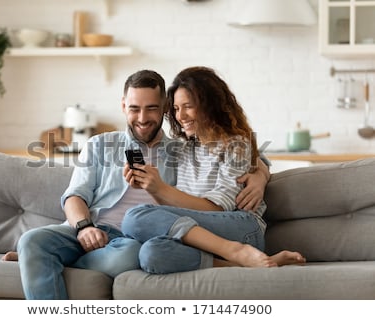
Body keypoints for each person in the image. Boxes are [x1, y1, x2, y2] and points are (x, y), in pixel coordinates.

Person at [3, 69, 270, 299]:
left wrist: (260, 175)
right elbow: (75, 196)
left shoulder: (181, 150)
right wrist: (84, 228)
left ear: (165, 108)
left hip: (130, 240)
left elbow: (243, 151)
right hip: (89, 230)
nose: (142, 118)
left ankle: (45, 261)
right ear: (123, 106)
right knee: (31, 240)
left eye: (152, 108)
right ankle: (39, 258)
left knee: (131, 254)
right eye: (134, 108)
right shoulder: (100, 145)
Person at [122, 66, 305, 274]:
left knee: (134, 218)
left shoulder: (236, 146)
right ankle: (241, 262)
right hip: (203, 234)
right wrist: (151, 188)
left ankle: (236, 250)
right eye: (175, 109)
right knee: (151, 253)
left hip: (241, 229)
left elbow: (217, 209)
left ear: (210, 105)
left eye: (188, 106)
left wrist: (160, 189)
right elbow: (180, 210)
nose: (180, 116)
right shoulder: (183, 149)